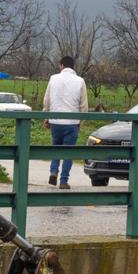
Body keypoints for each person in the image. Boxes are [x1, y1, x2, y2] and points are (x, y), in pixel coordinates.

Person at [42, 55, 88, 189]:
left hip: (55, 121)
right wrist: (81, 122)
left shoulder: (53, 78)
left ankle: (53, 171)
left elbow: (47, 100)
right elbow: (84, 105)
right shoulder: (80, 81)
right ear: (73, 67)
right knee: (68, 152)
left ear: (61, 65)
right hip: (72, 123)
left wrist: (46, 116)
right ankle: (63, 181)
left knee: (56, 147)